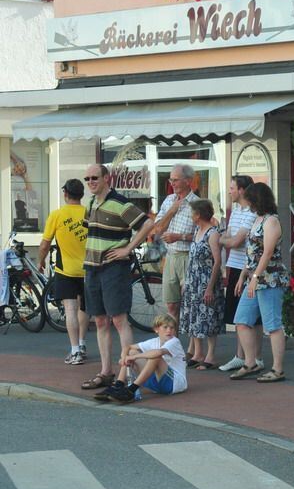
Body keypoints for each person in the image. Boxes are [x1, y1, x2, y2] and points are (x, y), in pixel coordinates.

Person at [79, 164, 155, 392]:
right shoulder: (91, 203)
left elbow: (148, 224)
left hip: (114, 268)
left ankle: (128, 374)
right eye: (87, 179)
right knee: (100, 321)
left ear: (106, 178)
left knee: (119, 320)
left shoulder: (120, 202)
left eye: (94, 178)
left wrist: (128, 248)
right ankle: (106, 372)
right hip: (92, 268)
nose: (90, 182)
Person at [231, 183, 289, 383]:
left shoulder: (271, 221)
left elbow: (268, 252)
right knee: (241, 320)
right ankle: (250, 362)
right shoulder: (258, 219)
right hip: (254, 278)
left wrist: (254, 277)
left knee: (273, 325)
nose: (246, 202)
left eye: (249, 198)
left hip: (270, 279)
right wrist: (244, 275)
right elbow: (253, 253)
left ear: (257, 199)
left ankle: (278, 369)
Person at [38, 179, 89, 365]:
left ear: (65, 194)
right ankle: (82, 344)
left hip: (65, 270)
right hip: (88, 269)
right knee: (84, 308)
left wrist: (41, 260)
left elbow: (45, 244)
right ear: (82, 194)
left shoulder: (57, 215)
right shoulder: (89, 213)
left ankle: (75, 351)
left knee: (70, 310)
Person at [219, 176, 264, 372]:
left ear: (242, 190)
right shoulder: (235, 211)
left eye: (232, 188)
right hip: (234, 266)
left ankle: (256, 357)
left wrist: (222, 240)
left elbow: (235, 241)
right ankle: (240, 356)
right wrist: (226, 239)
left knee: (253, 316)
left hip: (248, 267)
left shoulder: (251, 214)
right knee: (239, 315)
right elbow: (228, 236)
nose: (229, 191)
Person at [95, 313, 188, 403]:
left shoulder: (174, 342)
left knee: (155, 357)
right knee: (131, 352)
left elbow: (159, 352)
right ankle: (118, 385)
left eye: (172, 328)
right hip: (157, 385)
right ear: (156, 329)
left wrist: (134, 357)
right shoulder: (154, 341)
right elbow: (128, 347)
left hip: (175, 384)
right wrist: (124, 357)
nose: (169, 331)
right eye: (165, 327)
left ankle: (131, 390)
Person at [179, 199, 225, 370]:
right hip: (193, 280)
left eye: (192, 213)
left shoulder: (212, 234)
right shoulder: (198, 230)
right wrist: (186, 280)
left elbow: (217, 261)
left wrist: (210, 287)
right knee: (193, 316)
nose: (191, 216)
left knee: (209, 317)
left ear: (198, 215)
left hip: (206, 280)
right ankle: (198, 353)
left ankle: (210, 356)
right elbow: (191, 259)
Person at [152, 164, 198, 323]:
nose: (172, 183)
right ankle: (172, 346)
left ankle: (194, 347)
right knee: (171, 305)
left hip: (188, 257)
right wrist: (172, 210)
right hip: (170, 257)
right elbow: (158, 229)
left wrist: (180, 236)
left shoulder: (197, 204)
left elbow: (205, 236)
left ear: (188, 181)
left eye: (176, 180)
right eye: (171, 179)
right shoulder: (169, 200)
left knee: (191, 305)